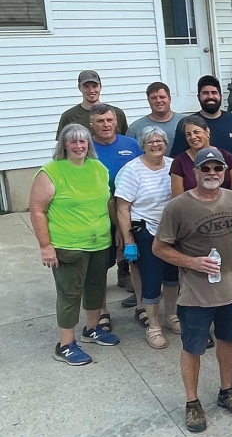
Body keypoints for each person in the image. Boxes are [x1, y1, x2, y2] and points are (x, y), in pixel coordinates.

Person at [153, 148, 232, 433]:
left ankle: (227, 391)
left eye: (217, 169)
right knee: (193, 348)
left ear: (224, 172)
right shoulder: (178, 207)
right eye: (205, 169)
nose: (212, 174)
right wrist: (192, 262)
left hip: (230, 291)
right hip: (195, 295)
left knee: (227, 342)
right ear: (194, 172)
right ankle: (192, 402)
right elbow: (159, 247)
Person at [29, 124, 120, 366]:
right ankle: (66, 345)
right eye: (73, 142)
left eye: (83, 141)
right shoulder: (51, 172)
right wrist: (45, 246)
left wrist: (119, 230)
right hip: (67, 245)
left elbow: (108, 201)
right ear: (64, 145)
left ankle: (92, 330)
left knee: (96, 287)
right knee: (70, 293)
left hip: (99, 242)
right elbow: (38, 211)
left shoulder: (98, 168)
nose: (79, 146)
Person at [115, 126, 179, 348]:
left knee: (173, 278)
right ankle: (153, 326)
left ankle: (171, 316)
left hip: (172, 231)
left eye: (159, 140)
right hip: (146, 231)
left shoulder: (173, 166)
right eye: (150, 141)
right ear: (142, 145)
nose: (155, 144)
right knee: (151, 281)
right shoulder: (132, 170)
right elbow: (122, 208)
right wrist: (129, 241)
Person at [91, 103, 142, 309]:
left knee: (134, 258)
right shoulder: (86, 147)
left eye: (110, 120)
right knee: (100, 265)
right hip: (98, 213)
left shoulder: (131, 144)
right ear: (91, 124)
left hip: (129, 210)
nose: (106, 125)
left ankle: (141, 305)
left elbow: (142, 170)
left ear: (116, 122)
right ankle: (100, 311)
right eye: (100, 121)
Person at [170, 75, 232, 160]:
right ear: (198, 97)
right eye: (205, 93)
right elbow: (178, 159)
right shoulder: (187, 124)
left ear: (220, 96)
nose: (210, 97)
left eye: (214, 93)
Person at [170, 114, 232, 195]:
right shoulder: (179, 162)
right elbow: (178, 198)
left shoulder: (226, 157)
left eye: (196, 132)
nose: (193, 137)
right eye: (188, 134)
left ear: (207, 132)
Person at [56, 69, 128, 137]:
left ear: (100, 87)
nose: (91, 90)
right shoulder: (69, 116)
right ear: (79, 87)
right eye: (86, 86)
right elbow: (62, 146)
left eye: (95, 86)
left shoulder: (117, 113)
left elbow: (125, 141)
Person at [127, 82, 183, 154]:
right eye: (154, 98)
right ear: (148, 100)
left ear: (169, 99)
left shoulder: (185, 122)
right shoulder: (135, 128)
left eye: (162, 97)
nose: (158, 101)